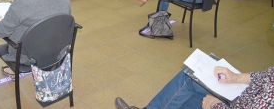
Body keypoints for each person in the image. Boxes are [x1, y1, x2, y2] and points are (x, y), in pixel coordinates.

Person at [114, 66, 274, 109]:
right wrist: (237, 77)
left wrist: (216, 105)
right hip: (240, 97)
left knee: (179, 100)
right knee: (191, 76)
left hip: (235, 104)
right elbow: (267, 76)